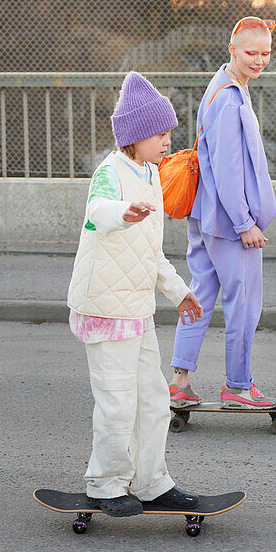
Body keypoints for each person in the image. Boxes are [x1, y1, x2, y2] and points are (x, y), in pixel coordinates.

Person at [67, 71, 204, 517]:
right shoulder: (111, 172)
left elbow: (151, 251)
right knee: (117, 402)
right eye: (160, 134)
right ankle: (106, 484)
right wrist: (122, 214)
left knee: (153, 399)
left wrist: (180, 292)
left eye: (168, 133)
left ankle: (151, 482)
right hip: (106, 309)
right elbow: (97, 212)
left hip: (138, 309)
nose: (168, 141)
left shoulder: (150, 173)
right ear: (136, 135)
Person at [169, 17, 276, 410]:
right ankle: (237, 385)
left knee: (200, 295)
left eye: (266, 53)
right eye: (251, 52)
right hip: (228, 222)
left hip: (206, 215)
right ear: (232, 49)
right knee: (244, 302)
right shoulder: (231, 100)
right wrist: (245, 223)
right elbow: (231, 171)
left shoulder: (220, 87)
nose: (259, 60)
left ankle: (180, 380)